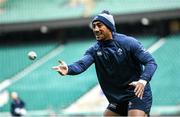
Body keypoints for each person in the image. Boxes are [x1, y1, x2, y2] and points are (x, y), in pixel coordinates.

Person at [52, 10, 157, 116]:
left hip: (136, 94)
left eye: (99, 25)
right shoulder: (94, 50)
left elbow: (151, 62)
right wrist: (69, 69)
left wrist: (143, 81)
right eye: (94, 26)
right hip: (117, 99)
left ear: (109, 27)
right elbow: (81, 64)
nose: (96, 29)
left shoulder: (128, 43)